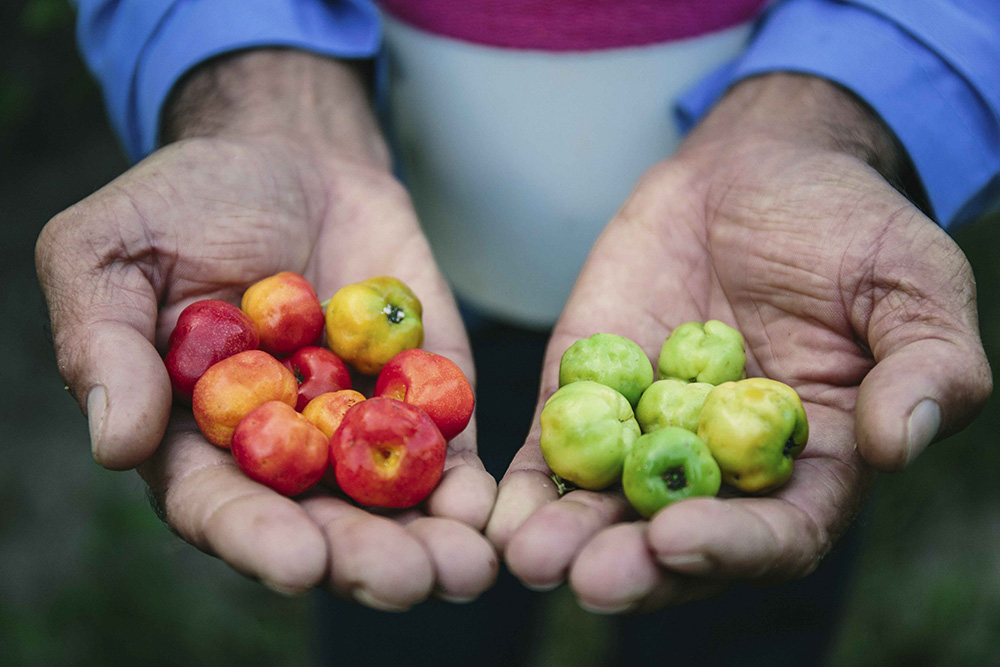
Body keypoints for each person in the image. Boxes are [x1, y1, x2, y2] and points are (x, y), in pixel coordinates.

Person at [36, 0, 999, 664]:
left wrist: (853, 100)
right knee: (404, 604)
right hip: (388, 228)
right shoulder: (328, 374)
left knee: (732, 601)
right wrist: (251, 76)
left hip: (755, 291)